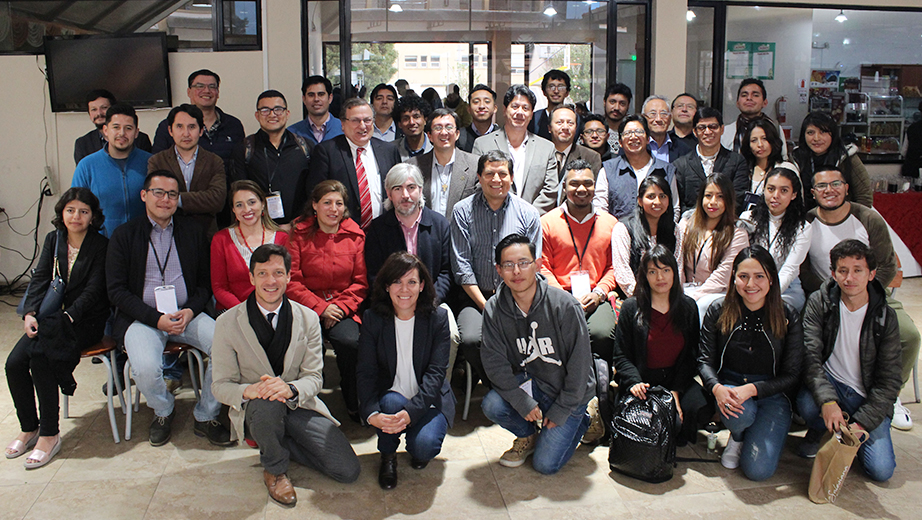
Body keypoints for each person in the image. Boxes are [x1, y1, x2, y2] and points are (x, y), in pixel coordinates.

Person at [211, 244, 360, 506]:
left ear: (289, 277)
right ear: (251, 277)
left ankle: (276, 442)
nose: (271, 281)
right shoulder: (227, 322)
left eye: (278, 273)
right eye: (263, 273)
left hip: (297, 403)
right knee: (267, 405)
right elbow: (220, 386)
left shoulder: (309, 318)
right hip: (258, 408)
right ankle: (275, 468)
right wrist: (252, 390)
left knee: (347, 470)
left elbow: (314, 377)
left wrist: (290, 389)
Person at [106, 170, 231, 447]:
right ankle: (163, 410)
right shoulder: (124, 235)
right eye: (158, 192)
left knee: (226, 348)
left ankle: (206, 414)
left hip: (188, 314)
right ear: (144, 195)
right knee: (146, 367)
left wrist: (190, 310)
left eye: (172, 194)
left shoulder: (193, 232)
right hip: (143, 319)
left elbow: (204, 284)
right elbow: (116, 291)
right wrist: (156, 319)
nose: (165, 199)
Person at [802, 166, 920, 431]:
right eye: (822, 186)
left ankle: (890, 398)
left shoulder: (867, 218)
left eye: (835, 184)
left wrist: (863, 293)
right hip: (826, 297)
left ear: (846, 187)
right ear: (813, 193)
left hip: (872, 293)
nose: (829, 190)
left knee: (910, 335)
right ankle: (815, 398)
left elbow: (888, 265)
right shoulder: (807, 221)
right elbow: (804, 270)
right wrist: (831, 292)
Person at [5, 188, 109, 469]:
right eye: (71, 210)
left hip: (85, 320)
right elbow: (40, 278)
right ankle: (30, 427)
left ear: (93, 217)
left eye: (83, 211)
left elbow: (94, 290)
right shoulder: (54, 239)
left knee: (42, 358)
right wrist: (29, 313)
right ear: (62, 213)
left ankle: (50, 434)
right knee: (13, 363)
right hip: (52, 317)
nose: (76, 216)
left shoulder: (101, 245)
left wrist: (68, 318)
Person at [480, 234, 594, 474]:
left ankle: (583, 417)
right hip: (531, 382)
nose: (517, 271)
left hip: (568, 390)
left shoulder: (564, 305)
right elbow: (494, 363)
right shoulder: (494, 308)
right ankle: (528, 434)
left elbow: (580, 366)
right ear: (498, 270)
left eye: (524, 262)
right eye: (508, 265)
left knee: (545, 465)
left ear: (538, 264)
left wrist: (563, 408)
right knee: (492, 404)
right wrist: (522, 402)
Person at [797, 240, 900, 482]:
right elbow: (810, 356)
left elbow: (890, 381)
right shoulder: (820, 302)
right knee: (807, 404)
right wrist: (828, 401)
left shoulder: (885, 317)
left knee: (881, 471)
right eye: (842, 271)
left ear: (871, 274)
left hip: (866, 395)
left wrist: (863, 423)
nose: (849, 278)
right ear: (833, 273)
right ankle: (821, 428)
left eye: (858, 270)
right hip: (832, 385)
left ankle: (848, 435)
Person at [698, 246, 803, 481]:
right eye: (743, 276)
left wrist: (753, 390)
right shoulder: (718, 310)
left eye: (759, 276)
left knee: (758, 471)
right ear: (734, 278)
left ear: (772, 280)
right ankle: (737, 436)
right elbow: (704, 361)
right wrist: (717, 388)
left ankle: (755, 433)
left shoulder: (788, 315)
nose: (750, 284)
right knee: (742, 415)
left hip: (771, 394)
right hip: (730, 389)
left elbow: (792, 374)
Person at [357, 252, 455, 489]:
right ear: (387, 286)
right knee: (390, 403)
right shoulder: (373, 319)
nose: (404, 289)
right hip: (392, 397)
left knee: (424, 446)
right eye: (397, 281)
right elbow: (366, 371)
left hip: (429, 400)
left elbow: (435, 375)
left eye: (411, 282)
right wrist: (372, 413)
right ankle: (388, 457)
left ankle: (416, 442)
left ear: (422, 286)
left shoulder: (438, 319)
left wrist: (411, 413)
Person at [451, 151, 542, 387]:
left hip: (517, 297)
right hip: (474, 297)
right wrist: (486, 305)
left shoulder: (528, 213)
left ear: (512, 177)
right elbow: (461, 265)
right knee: (471, 340)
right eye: (489, 173)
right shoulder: (462, 211)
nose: (496, 179)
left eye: (503, 173)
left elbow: (533, 267)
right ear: (479, 177)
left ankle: (515, 387)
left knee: (524, 339)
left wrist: (510, 303)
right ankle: (502, 387)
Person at [285, 180, 368, 421]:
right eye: (327, 203)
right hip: (306, 308)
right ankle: (305, 405)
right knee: (307, 345)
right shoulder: (298, 234)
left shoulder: (355, 236)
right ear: (314, 205)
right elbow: (291, 281)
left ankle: (353, 400)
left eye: (339, 204)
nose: (333, 209)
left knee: (351, 343)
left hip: (343, 308)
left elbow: (360, 283)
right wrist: (321, 309)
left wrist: (339, 309)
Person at [612, 245, 709, 445]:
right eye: (653, 272)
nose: (660, 278)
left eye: (666, 270)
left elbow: (692, 355)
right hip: (643, 383)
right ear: (644, 276)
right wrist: (634, 382)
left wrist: (675, 390)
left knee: (700, 408)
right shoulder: (631, 307)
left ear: (675, 273)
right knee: (659, 424)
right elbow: (621, 355)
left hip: (675, 379)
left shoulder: (688, 307)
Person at [540, 159, 617, 361]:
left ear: (595, 187)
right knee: (554, 334)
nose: (581, 188)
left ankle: (600, 380)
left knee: (602, 333)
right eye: (574, 183)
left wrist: (599, 293)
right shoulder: (547, 222)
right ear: (564, 187)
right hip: (557, 297)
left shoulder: (610, 223)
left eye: (588, 183)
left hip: (596, 298)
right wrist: (563, 297)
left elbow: (613, 267)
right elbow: (543, 266)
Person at [308, 97, 402, 229]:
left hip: (383, 233)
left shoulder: (388, 151)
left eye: (367, 120)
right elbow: (316, 194)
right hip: (342, 234)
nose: (363, 126)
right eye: (355, 120)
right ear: (342, 124)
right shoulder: (327, 152)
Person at [471, 85, 559, 214]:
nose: (519, 112)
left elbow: (550, 190)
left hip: (533, 221)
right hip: (494, 220)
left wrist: (528, 216)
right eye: (515, 107)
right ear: (504, 110)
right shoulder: (482, 144)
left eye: (525, 108)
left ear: (531, 114)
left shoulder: (546, 148)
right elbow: (478, 184)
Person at [229, 90, 311, 228]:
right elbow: (239, 193)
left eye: (278, 109)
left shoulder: (305, 147)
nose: (272, 115)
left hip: (299, 229)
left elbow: (314, 191)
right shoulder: (245, 149)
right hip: (259, 230)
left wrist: (299, 223)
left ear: (287, 113)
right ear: (257, 115)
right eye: (265, 110)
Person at [72, 103, 151, 238]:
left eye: (128, 128)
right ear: (105, 130)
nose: (122, 133)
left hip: (144, 241)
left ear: (136, 133)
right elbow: (76, 209)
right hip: (102, 244)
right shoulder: (86, 166)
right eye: (116, 127)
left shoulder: (151, 163)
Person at [678, 173, 750, 320]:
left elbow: (723, 275)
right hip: (686, 289)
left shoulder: (738, 234)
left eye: (720, 197)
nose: (713, 202)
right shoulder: (686, 224)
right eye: (708, 195)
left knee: (702, 305)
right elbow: (677, 261)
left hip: (718, 293)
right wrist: (678, 292)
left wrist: (693, 297)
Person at [147, 104, 226, 236]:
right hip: (168, 234)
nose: (186, 133)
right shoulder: (157, 161)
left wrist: (175, 199)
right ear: (170, 131)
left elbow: (217, 200)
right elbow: (156, 199)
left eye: (192, 127)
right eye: (179, 127)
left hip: (205, 235)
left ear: (201, 131)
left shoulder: (214, 161)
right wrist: (200, 200)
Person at [739, 167, 812, 310]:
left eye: (784, 191)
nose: (775, 195)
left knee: (770, 309)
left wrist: (767, 295)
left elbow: (790, 269)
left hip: (786, 289)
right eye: (771, 189)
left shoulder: (803, 227)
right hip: (749, 284)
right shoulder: (747, 219)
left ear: (794, 195)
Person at [211, 180, 289, 312]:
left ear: (263, 204)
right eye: (239, 205)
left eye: (252, 202)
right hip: (234, 311)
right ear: (233, 210)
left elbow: (288, 282)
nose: (247, 209)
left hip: (274, 309)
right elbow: (219, 288)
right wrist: (246, 311)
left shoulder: (282, 238)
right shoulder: (221, 239)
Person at [151, 69, 245, 166]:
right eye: (200, 86)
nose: (206, 91)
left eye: (212, 87)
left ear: (218, 92)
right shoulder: (169, 125)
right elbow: (158, 163)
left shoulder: (234, 125)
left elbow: (240, 165)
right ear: (189, 92)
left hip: (223, 180)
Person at [597, 114, 680, 219]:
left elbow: (674, 209)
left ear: (648, 139)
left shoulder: (666, 170)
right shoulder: (608, 170)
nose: (633, 137)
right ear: (620, 142)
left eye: (639, 132)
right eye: (627, 133)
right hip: (617, 233)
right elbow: (600, 210)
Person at [611, 175, 679, 298]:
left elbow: (678, 267)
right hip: (634, 297)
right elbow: (622, 272)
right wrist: (645, 299)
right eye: (651, 197)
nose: (657, 202)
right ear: (640, 201)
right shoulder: (623, 228)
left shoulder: (675, 230)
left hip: (667, 298)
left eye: (662, 196)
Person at [673, 107, 750, 214]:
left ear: (722, 129)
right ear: (694, 132)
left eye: (713, 127)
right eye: (702, 127)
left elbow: (738, 198)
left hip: (726, 224)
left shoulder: (737, 161)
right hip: (691, 224)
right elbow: (680, 202)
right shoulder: (681, 165)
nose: (708, 132)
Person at [406, 108, 480, 219]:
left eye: (449, 127)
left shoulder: (475, 165)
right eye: (438, 128)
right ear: (429, 136)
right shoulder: (413, 166)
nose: (444, 132)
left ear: (457, 134)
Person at [791, 111, 873, 210]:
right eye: (810, 132)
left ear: (833, 134)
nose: (816, 138)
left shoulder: (847, 157)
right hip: (805, 220)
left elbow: (864, 197)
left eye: (823, 132)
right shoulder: (795, 159)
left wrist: (852, 222)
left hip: (841, 219)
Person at [74, 89, 152, 165]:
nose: (99, 113)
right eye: (94, 109)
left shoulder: (141, 139)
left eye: (104, 108)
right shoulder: (82, 144)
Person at [721, 78, 787, 157]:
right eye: (744, 95)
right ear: (737, 103)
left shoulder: (775, 129)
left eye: (755, 95)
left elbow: (782, 159)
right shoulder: (726, 132)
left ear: (765, 102)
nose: (749, 98)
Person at [547, 105, 602, 181]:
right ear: (549, 128)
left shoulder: (591, 157)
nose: (565, 127)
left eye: (570, 123)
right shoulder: (539, 154)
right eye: (559, 122)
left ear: (576, 128)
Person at [288, 75, 344, 146]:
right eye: (311, 95)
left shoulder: (343, 129)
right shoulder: (292, 133)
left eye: (321, 94)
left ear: (330, 98)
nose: (316, 99)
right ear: (304, 99)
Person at [641, 95, 692, 163]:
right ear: (643, 118)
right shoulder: (635, 145)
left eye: (663, 114)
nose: (658, 119)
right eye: (653, 114)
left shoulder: (684, 150)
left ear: (670, 118)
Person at [530, 69, 574, 141]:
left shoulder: (575, 119)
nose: (556, 91)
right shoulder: (534, 119)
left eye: (561, 87)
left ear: (567, 92)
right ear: (544, 91)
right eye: (551, 86)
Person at [457, 84, 499, 153]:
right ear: (469, 109)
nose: (482, 106)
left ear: (495, 108)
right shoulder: (460, 137)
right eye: (476, 102)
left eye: (487, 101)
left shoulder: (502, 137)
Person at [393, 95, 433, 160]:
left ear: (425, 120)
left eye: (416, 117)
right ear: (399, 124)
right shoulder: (391, 149)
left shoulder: (437, 146)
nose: (412, 122)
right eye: (406, 118)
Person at [603, 83, 632, 154]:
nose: (616, 108)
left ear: (628, 106)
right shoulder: (596, 129)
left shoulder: (632, 132)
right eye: (612, 102)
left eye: (622, 103)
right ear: (604, 102)